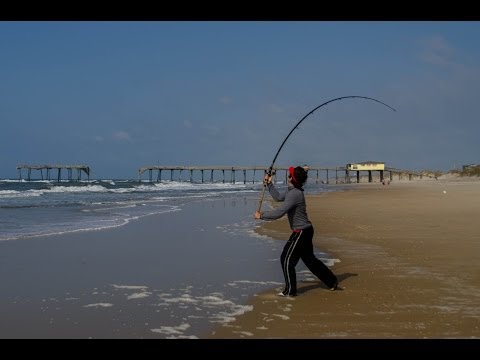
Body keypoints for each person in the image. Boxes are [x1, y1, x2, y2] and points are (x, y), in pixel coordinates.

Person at [254, 166, 338, 297]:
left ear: (292, 179)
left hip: (301, 232)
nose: (287, 177)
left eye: (289, 175)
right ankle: (332, 281)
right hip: (306, 230)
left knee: (286, 259)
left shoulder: (294, 194)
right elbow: (278, 197)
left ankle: (290, 291)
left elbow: (279, 213)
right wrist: (269, 184)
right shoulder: (293, 191)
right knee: (310, 261)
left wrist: (261, 215)